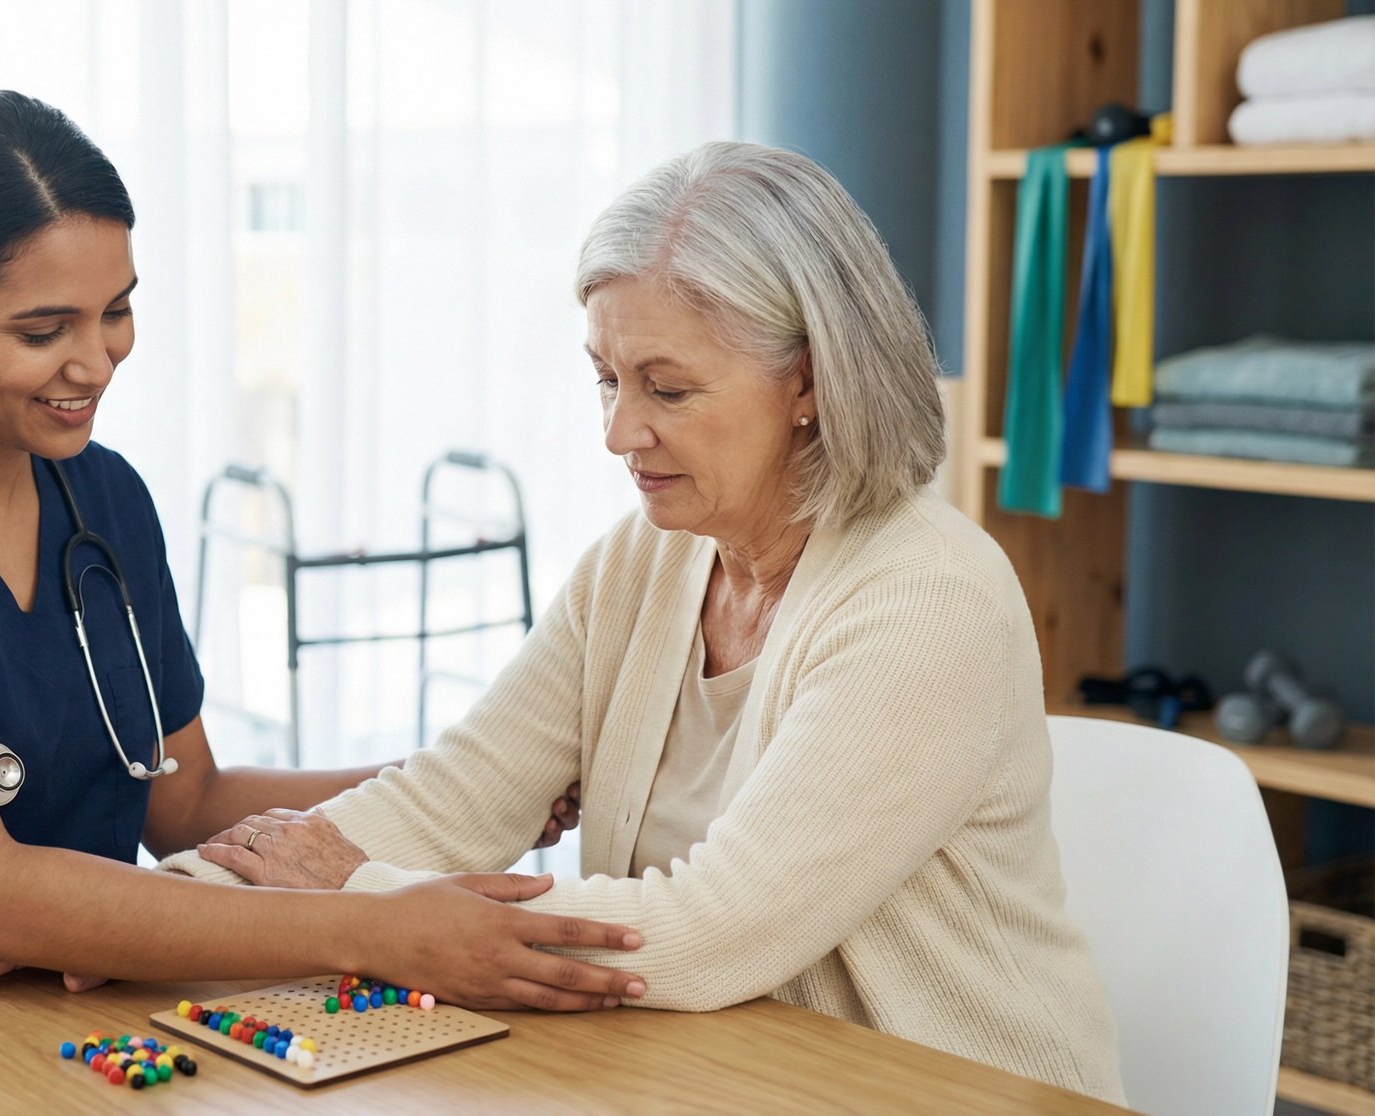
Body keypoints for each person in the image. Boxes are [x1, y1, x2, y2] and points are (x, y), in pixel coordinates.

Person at [161, 142, 1129, 1103]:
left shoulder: (927, 603)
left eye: (667, 389)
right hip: (728, 1083)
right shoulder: (644, 560)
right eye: (606, 379)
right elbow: (453, 800)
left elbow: (706, 934)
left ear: (808, 382)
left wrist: (360, 901)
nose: (618, 432)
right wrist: (155, 916)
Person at [0, 90, 630, 1012]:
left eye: (115, 312)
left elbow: (188, 802)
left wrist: (473, 784)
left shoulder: (102, 497)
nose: (95, 362)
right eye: (44, 330)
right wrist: (374, 929)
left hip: (34, 1008)